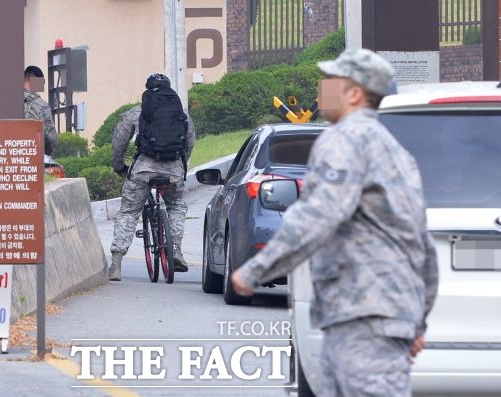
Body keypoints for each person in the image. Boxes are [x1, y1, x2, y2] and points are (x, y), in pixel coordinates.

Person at [231, 48, 439, 397]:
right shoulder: (397, 153)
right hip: (382, 318)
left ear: (355, 93)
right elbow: (423, 245)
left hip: (361, 319)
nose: (321, 87)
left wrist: (255, 271)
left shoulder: (344, 140)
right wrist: (416, 321)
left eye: (331, 81)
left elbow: (318, 215)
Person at [109, 73, 196, 281]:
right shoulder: (181, 114)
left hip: (143, 170)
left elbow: (119, 140)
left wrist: (119, 164)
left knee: (128, 212)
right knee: (175, 206)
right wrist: (181, 164)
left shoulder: (137, 113)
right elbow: (190, 141)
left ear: (147, 90)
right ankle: (175, 250)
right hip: (174, 170)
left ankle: (116, 265)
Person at [23, 65, 57, 156]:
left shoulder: (7, 100)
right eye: (42, 82)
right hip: (33, 157)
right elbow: (50, 139)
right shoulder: (41, 106)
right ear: (34, 80)